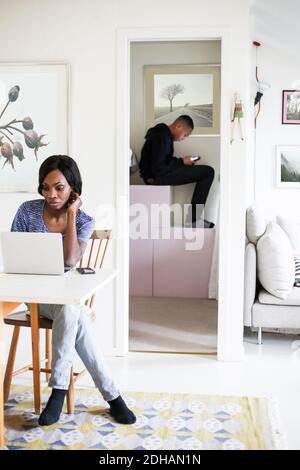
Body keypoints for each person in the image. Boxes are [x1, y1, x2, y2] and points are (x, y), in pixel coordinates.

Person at [11, 155, 136, 426]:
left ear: (73, 190)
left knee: (70, 310)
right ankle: (112, 398)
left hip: (67, 299)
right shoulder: (26, 211)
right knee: (72, 312)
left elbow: (70, 260)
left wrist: (70, 214)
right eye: (45, 187)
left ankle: (59, 391)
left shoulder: (83, 220)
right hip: (35, 298)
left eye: (59, 187)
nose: (51, 194)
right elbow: (13, 254)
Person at [139, 115, 215, 227]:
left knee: (205, 172)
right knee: (208, 172)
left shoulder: (162, 135)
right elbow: (159, 168)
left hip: (157, 175)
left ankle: (194, 219)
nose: (184, 138)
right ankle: (194, 220)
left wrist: (182, 162)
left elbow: (161, 162)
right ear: (178, 126)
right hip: (156, 178)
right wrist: (181, 162)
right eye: (185, 135)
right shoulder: (162, 137)